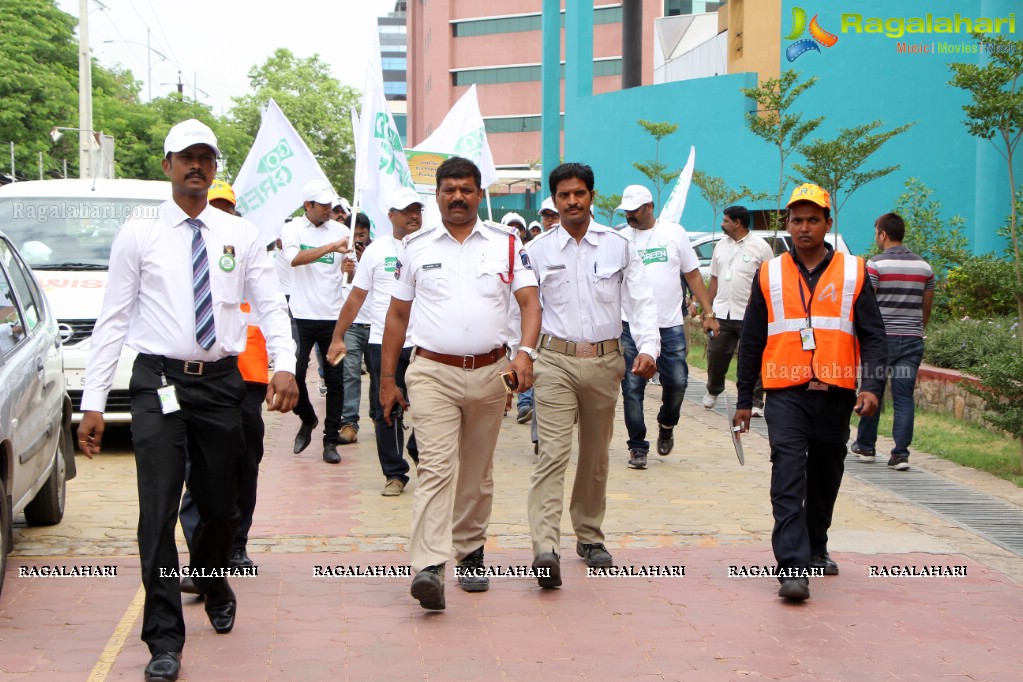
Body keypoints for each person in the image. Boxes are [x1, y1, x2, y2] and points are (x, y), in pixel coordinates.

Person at [77, 119, 298, 682]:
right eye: (185, 157)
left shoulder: (239, 235)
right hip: (158, 382)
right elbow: (113, 320)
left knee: (221, 503)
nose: (196, 165)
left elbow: (272, 305)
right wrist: (95, 403)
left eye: (205, 157)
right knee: (157, 510)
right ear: (167, 164)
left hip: (221, 384)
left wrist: (284, 366)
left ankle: (214, 573)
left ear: (214, 167)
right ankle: (164, 639)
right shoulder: (140, 231)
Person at [379, 157, 541, 610]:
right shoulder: (414, 247)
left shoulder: (508, 244)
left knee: (476, 470)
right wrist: (387, 378)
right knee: (435, 466)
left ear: (478, 193)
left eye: (466, 189)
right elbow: (396, 315)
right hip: (431, 371)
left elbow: (530, 303)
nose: (457, 196)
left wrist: (524, 353)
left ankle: (470, 550)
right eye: (449, 189)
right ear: (437, 196)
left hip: (491, 373)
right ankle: (429, 565)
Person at [732, 183, 886, 602]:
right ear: (788, 224)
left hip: (835, 392)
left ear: (827, 224)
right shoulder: (771, 272)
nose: (804, 227)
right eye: (797, 220)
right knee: (787, 473)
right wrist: (746, 399)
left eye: (813, 219)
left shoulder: (854, 271)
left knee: (825, 473)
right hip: (785, 392)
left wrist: (872, 386)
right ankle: (793, 568)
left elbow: (873, 336)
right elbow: (751, 339)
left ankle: (816, 544)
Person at [525, 164, 660, 588]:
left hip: (605, 362)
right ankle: (546, 548)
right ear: (554, 200)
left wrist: (650, 346)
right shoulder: (538, 250)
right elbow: (523, 309)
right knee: (553, 453)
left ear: (592, 196)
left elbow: (640, 299)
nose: (572, 201)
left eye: (579, 193)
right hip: (554, 362)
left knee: (596, 455)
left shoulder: (618, 246)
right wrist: (521, 357)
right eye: (564, 195)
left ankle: (588, 534)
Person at [178, 179, 270, 589]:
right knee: (197, 469)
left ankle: (236, 543)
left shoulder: (247, 252)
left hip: (247, 379)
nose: (216, 212)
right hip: (190, 380)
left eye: (224, 206)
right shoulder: (183, 254)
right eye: (212, 204)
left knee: (244, 465)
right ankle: (204, 556)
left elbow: (273, 309)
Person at [615, 184, 719, 470]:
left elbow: (693, 275)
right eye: (625, 211)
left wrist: (708, 312)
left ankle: (667, 422)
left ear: (650, 207)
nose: (629, 216)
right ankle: (637, 446)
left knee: (677, 382)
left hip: (669, 324)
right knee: (632, 388)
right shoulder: (620, 239)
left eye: (634, 211)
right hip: (630, 326)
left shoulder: (675, 234)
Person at [328, 188, 423, 496]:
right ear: (391, 215)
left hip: (426, 342)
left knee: (431, 406)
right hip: (385, 342)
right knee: (387, 408)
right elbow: (357, 297)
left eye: (416, 209)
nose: (412, 215)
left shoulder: (431, 246)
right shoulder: (377, 250)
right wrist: (338, 336)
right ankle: (395, 473)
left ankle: (417, 446)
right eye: (405, 210)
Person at [850, 212, 935, 471]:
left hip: (881, 342)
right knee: (904, 398)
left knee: (872, 390)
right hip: (911, 341)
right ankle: (900, 454)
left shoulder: (875, 266)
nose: (875, 237)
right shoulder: (924, 267)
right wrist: (914, 329)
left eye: (876, 233)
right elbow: (926, 308)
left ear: (883, 234)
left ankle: (865, 446)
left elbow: (867, 305)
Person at [281, 179, 353, 464]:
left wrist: (349, 266)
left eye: (330, 204)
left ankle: (329, 441)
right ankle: (308, 418)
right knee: (295, 375)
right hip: (301, 316)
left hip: (333, 318)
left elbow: (349, 273)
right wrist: (330, 247)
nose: (328, 209)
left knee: (336, 381)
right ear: (307, 205)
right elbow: (294, 259)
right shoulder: (292, 229)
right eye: (322, 205)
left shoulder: (342, 230)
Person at [703, 205, 774, 416]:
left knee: (753, 358)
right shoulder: (720, 247)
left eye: (725, 221)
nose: (722, 224)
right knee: (716, 353)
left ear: (737, 223)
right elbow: (714, 279)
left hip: (750, 315)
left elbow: (769, 281)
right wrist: (708, 310)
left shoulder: (761, 247)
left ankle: (755, 401)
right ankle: (714, 389)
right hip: (722, 312)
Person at [337, 213, 374, 445]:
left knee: (379, 375)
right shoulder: (344, 254)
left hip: (378, 325)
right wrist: (349, 270)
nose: (359, 239)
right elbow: (347, 285)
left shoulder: (379, 252)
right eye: (355, 235)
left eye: (362, 234)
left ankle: (383, 418)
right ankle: (349, 422)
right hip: (353, 324)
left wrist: (366, 259)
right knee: (349, 373)